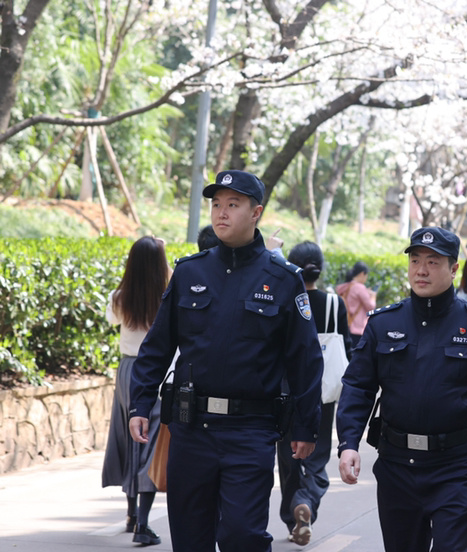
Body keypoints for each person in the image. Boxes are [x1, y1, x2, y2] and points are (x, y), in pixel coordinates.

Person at [128, 170, 324, 552]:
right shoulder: (190, 271)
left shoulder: (283, 279)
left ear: (256, 213)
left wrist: (306, 426)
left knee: (242, 535)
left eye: (232, 205)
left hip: (250, 430)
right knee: (189, 536)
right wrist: (140, 402)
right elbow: (157, 345)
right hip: (191, 428)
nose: (221, 213)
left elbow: (305, 359)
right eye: (216, 204)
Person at [336, 226, 467, 552]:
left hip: (456, 466)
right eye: (415, 260)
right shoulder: (384, 324)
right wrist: (348, 442)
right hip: (397, 465)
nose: (421, 270)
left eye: (433, 261)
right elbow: (358, 386)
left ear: (454, 269)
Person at [276, 241, 352, 546]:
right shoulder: (335, 304)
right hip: (322, 392)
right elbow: (347, 348)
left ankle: (293, 512)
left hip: (285, 392)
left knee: (287, 460)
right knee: (317, 459)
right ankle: (306, 500)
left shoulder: (284, 299)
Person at [102, 236, 171, 546]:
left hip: (127, 371)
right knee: (151, 443)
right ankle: (143, 523)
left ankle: (131, 516)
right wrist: (165, 257)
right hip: (156, 371)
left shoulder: (120, 298)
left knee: (130, 440)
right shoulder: (167, 296)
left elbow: (111, 319)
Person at [335, 261, 376, 344]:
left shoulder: (346, 286)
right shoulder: (360, 288)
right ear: (362, 274)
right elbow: (370, 307)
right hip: (357, 328)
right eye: (366, 275)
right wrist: (373, 297)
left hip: (346, 325)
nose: (366, 278)